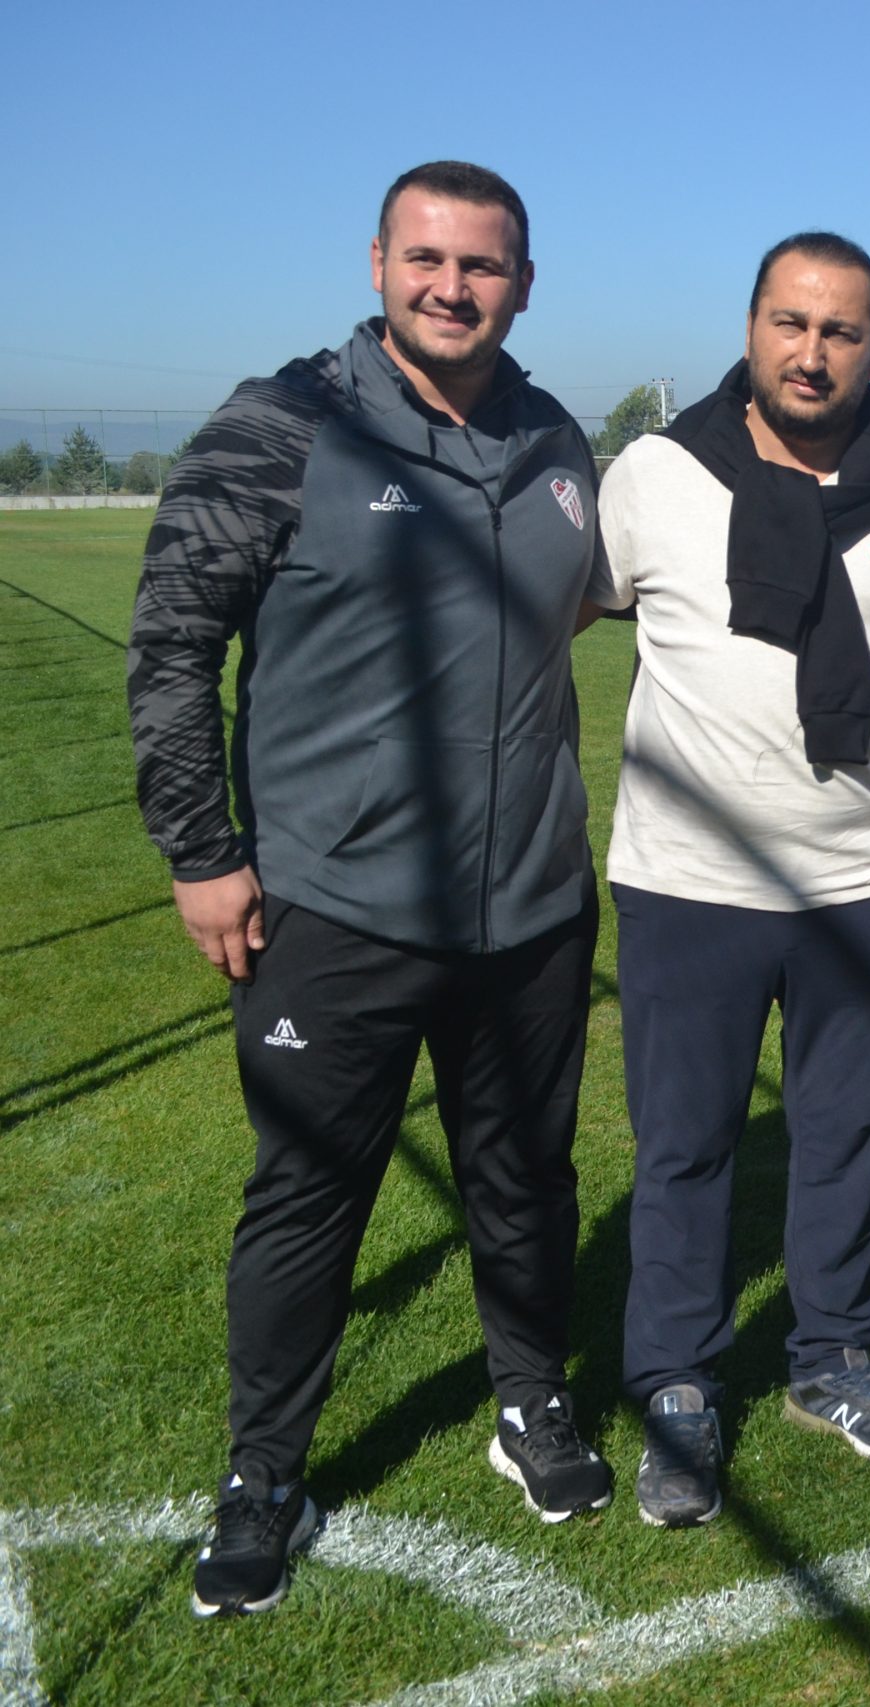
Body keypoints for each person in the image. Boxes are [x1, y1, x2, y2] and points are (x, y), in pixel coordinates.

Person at [129, 162, 616, 1616]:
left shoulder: (557, 440)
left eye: (483, 264)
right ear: (379, 263)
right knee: (308, 1195)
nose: (452, 287)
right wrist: (202, 851)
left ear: (524, 282)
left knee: (525, 1181)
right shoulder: (283, 426)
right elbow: (171, 644)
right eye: (427, 259)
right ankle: (265, 1471)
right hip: (334, 909)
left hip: (530, 909)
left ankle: (531, 1402)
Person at [593, 233, 870, 1528]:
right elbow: (544, 626)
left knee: (848, 1135)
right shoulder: (658, 474)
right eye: (791, 322)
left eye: (841, 331)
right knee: (685, 1147)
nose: (812, 352)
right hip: (689, 885)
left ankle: (832, 1356)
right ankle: (675, 1381)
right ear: (752, 326)